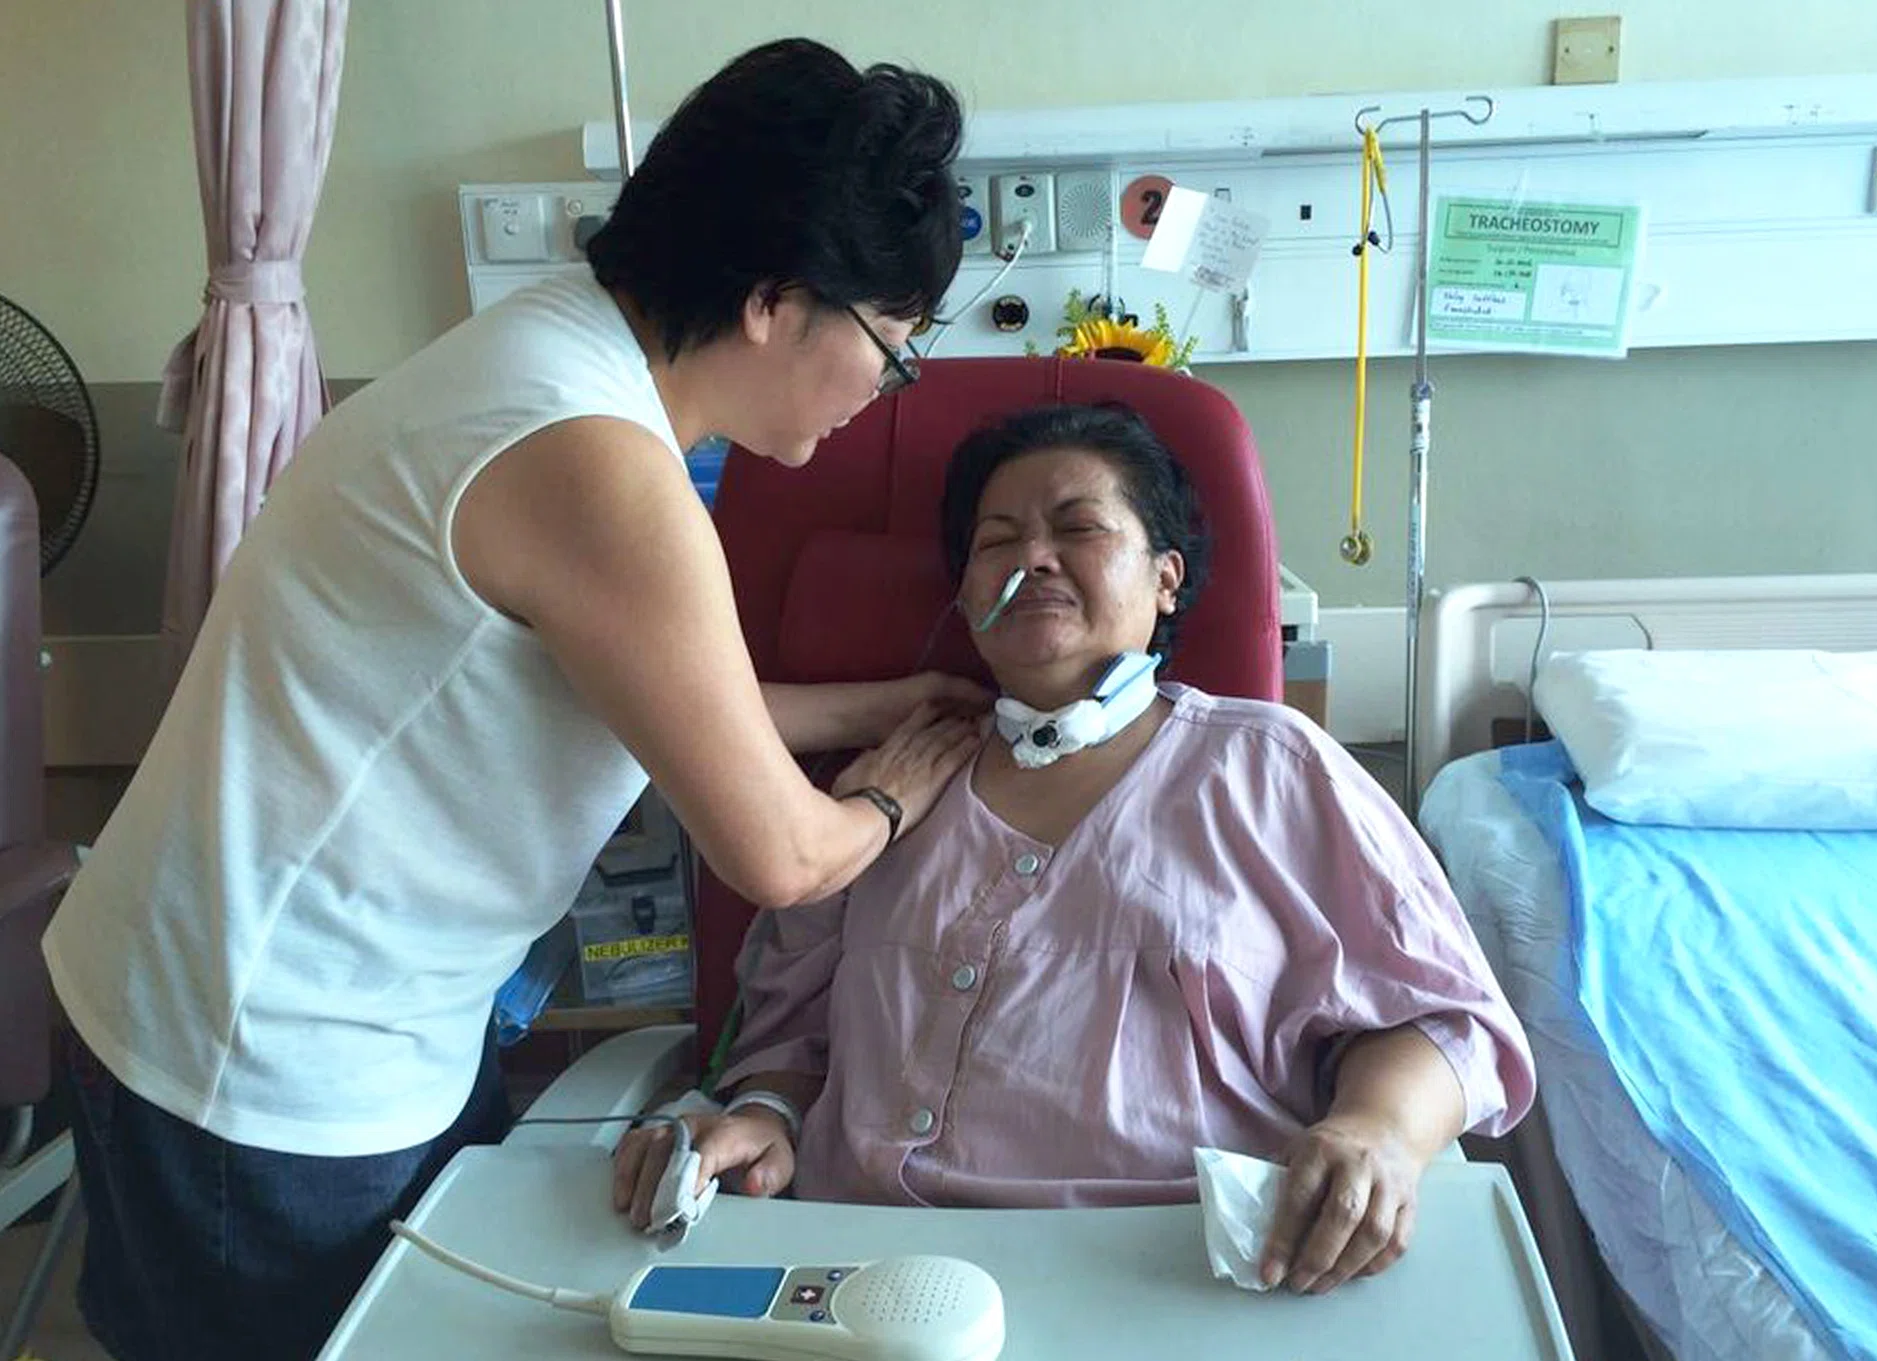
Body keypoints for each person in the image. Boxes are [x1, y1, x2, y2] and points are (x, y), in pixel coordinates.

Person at [42, 38, 983, 1361]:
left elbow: (656, 685)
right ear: (779, 299)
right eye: (892, 354)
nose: (880, 398)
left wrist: (877, 701)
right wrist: (904, 782)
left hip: (240, 987)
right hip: (261, 1064)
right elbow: (782, 853)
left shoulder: (549, 352)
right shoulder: (598, 466)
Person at [612, 403, 1536, 1296]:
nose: (1033, 558)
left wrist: (1379, 1128)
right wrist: (764, 1116)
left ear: (1167, 576)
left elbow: (1444, 1020)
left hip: (1178, 1278)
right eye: (997, 541)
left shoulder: (1269, 767)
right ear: (968, 593)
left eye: (1078, 527)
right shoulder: (886, 787)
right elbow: (789, 1025)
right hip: (864, 1278)